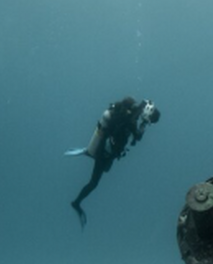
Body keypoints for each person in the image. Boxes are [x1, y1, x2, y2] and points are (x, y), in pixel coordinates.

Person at [67, 96, 161, 227]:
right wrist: (143, 125)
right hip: (104, 153)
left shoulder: (131, 111)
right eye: (150, 120)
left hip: (106, 150)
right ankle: (76, 203)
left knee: (105, 170)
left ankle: (88, 151)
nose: (147, 121)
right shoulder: (131, 120)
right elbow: (137, 137)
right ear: (148, 112)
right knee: (94, 183)